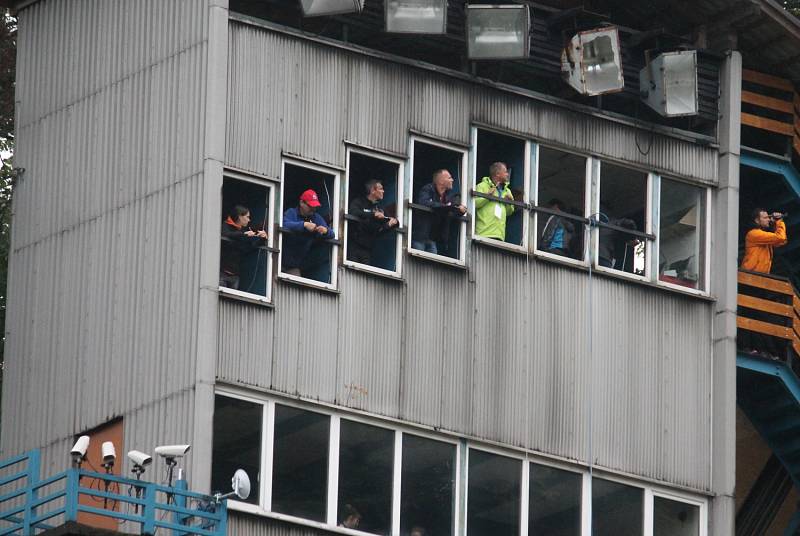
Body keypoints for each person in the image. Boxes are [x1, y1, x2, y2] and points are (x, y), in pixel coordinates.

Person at [411, 169, 467, 255]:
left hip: (433, 238)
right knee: (415, 263)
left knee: (431, 265)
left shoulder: (449, 195)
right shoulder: (428, 189)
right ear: (441, 181)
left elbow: (454, 211)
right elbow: (424, 202)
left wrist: (461, 210)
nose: (452, 180)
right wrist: (446, 207)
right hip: (420, 236)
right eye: (449, 178)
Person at [282, 189, 334, 278]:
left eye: (315, 207)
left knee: (295, 285)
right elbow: (283, 224)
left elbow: (332, 234)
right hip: (278, 259)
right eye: (310, 206)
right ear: (301, 203)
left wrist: (325, 231)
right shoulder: (291, 212)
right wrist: (304, 225)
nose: (313, 209)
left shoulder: (316, 217)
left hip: (294, 265)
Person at [348, 179, 399, 265]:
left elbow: (380, 229)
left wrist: (392, 223)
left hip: (367, 249)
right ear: (372, 190)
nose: (383, 191)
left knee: (364, 276)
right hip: (353, 245)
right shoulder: (359, 202)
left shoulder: (379, 208)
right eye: (381, 189)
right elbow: (353, 212)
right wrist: (373, 214)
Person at [219, 205, 267, 289]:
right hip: (221, 272)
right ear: (240, 216)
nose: (249, 220)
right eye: (247, 217)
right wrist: (243, 234)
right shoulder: (225, 225)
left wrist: (262, 239)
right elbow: (226, 234)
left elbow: (249, 248)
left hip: (235, 275)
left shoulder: (241, 231)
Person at [474, 162, 515, 241]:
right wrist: (487, 197)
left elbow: (510, 212)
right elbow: (474, 204)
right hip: (484, 233)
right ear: (497, 174)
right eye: (505, 172)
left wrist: (509, 203)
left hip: (500, 234)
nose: (507, 174)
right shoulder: (482, 186)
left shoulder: (507, 190)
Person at [741, 208, 787, 274]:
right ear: (757, 220)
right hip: (749, 274)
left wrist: (774, 224)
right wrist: (779, 222)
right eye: (765, 218)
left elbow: (782, 241)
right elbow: (780, 237)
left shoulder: (762, 236)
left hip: (757, 275)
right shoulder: (753, 234)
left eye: (769, 217)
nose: (768, 220)